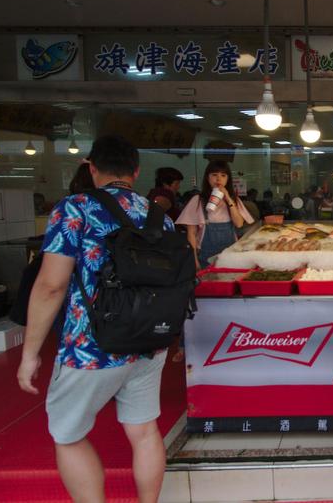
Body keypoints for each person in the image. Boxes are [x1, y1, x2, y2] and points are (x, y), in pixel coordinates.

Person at [16, 135, 173, 503]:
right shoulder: (158, 216)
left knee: (68, 435)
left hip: (90, 345)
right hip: (148, 339)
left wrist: (30, 353)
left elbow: (51, 286)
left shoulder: (75, 208)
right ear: (136, 171)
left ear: (91, 167)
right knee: (145, 431)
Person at [176, 160, 253, 270]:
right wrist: (194, 261)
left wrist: (227, 197)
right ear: (207, 178)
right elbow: (191, 234)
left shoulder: (234, 200)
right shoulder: (198, 200)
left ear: (228, 179)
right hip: (205, 256)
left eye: (223, 175)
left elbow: (239, 223)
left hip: (230, 255)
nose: (219, 179)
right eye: (214, 175)